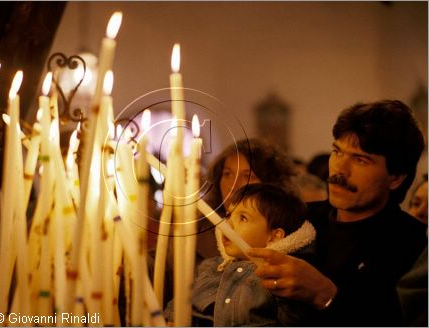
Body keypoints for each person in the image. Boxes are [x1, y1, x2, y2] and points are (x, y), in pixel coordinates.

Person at [247, 100, 427, 325]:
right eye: (337, 151)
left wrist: (323, 294)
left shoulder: (413, 245)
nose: (340, 169)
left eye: (360, 160)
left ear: (396, 177)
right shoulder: (299, 219)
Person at [165, 183, 317, 326]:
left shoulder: (279, 276)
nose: (227, 224)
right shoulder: (211, 267)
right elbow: (179, 303)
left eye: (243, 218)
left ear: (275, 236)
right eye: (229, 215)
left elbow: (296, 320)